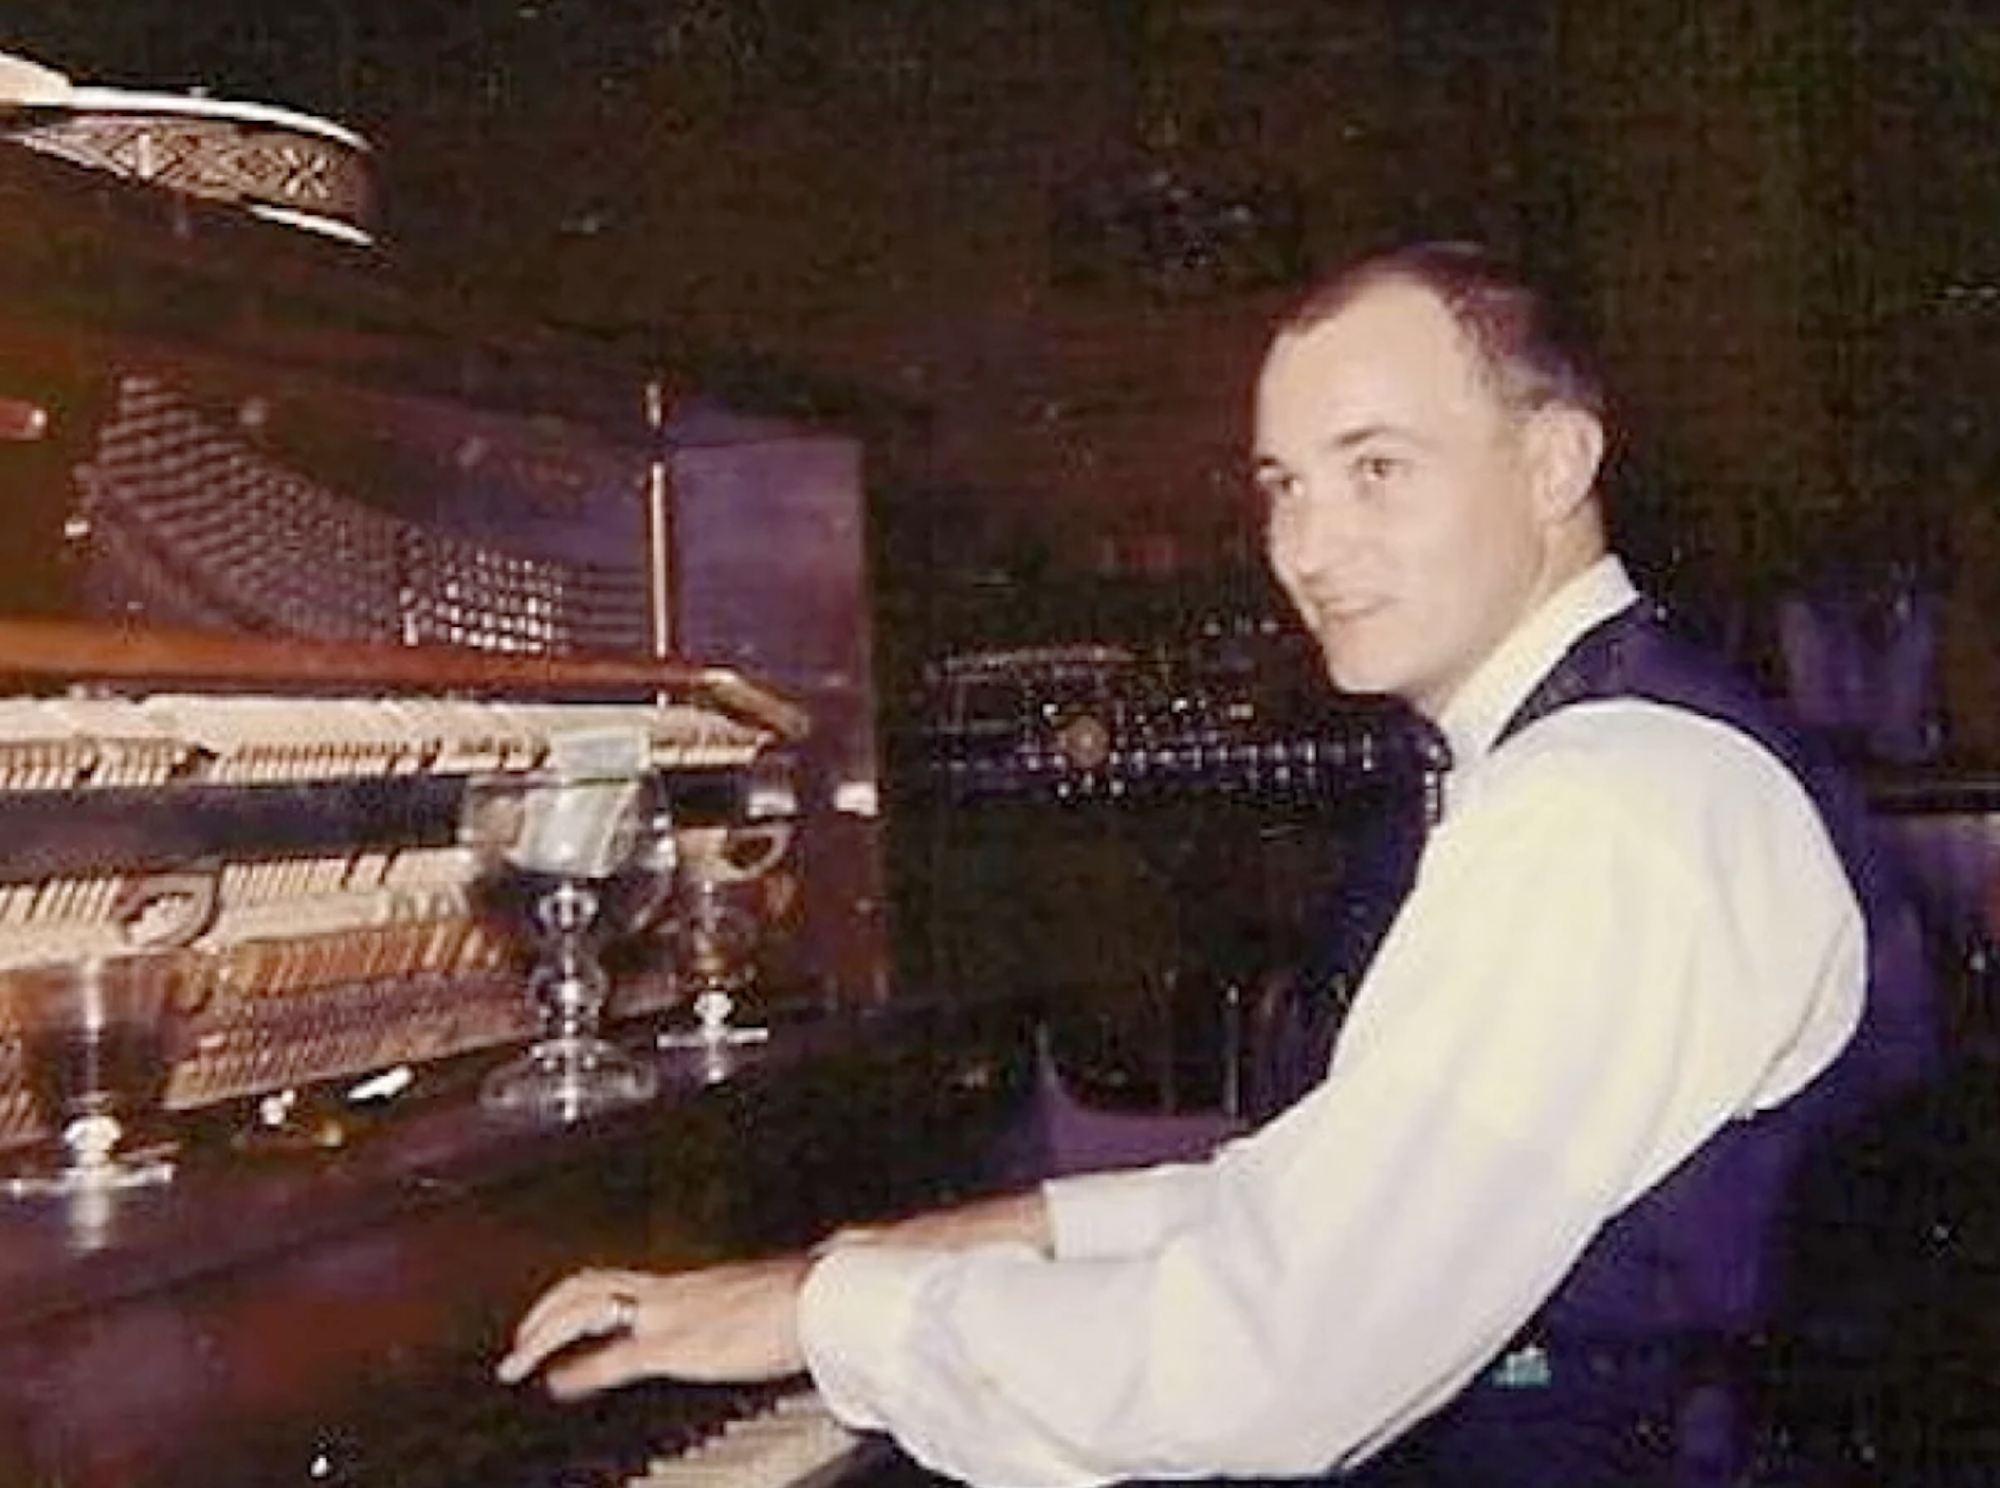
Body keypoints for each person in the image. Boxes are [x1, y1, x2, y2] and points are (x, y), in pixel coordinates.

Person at [497, 242, 1931, 1487]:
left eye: (1378, 469)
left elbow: (1275, 1358)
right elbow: (1323, 1193)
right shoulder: (1595, 759)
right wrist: (952, 1242)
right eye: (1283, 485)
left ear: (1557, 461)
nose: (1308, 545)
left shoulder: (1608, 813)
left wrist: (826, 1319)